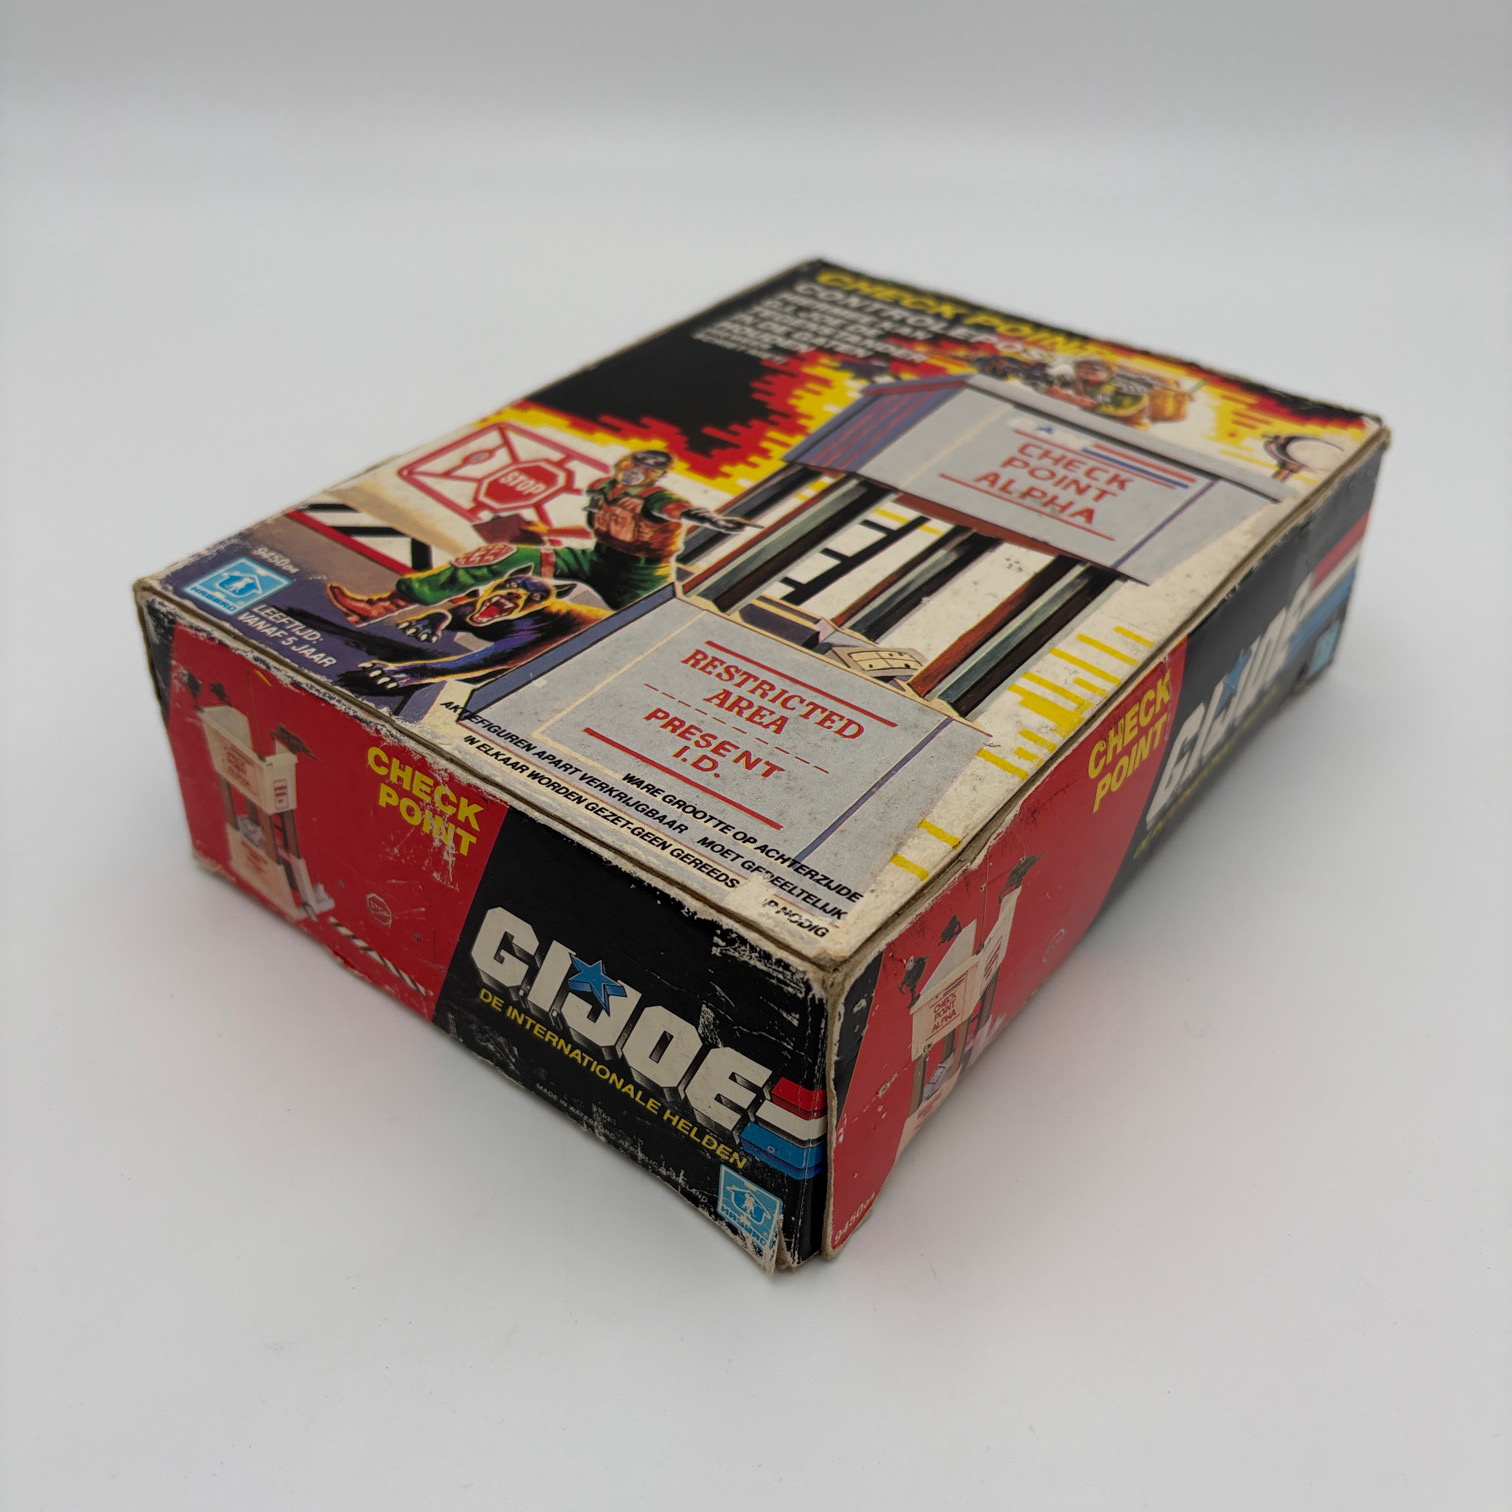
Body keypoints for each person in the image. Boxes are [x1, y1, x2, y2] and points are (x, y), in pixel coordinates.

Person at [326, 448, 754, 623]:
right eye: (632, 464)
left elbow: (678, 511)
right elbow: (596, 526)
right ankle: (385, 605)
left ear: (654, 476)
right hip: (596, 559)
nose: (633, 471)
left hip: (641, 576)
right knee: (500, 554)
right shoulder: (603, 488)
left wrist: (708, 518)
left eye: (644, 470)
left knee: (648, 629)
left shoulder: (659, 498)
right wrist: (548, 532)